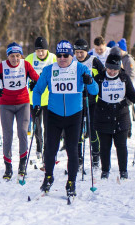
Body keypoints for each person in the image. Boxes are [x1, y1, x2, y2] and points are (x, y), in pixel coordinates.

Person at [31, 40, 99, 198]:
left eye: (66, 55)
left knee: (72, 150)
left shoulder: (80, 68)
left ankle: (71, 182)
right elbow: (37, 90)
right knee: (50, 149)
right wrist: (36, 105)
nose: (62, 58)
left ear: (72, 55)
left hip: (74, 115)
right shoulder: (49, 70)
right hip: (54, 114)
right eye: (59, 55)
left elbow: (95, 91)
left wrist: (90, 82)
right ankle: (48, 177)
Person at [0, 42, 39, 181]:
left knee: (22, 132)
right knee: (7, 134)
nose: (15, 59)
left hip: (23, 104)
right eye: (12, 56)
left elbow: (38, 79)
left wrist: (35, 83)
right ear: (7, 56)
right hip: (6, 105)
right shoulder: (1, 67)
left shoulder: (25, 65)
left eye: (17, 56)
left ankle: (22, 164)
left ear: (21, 55)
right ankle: (8, 166)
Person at [92, 52, 135, 179]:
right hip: (103, 116)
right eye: (109, 68)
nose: (112, 72)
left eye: (115, 69)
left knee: (121, 145)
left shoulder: (124, 78)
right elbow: (91, 93)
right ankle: (105, 170)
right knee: (104, 146)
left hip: (121, 116)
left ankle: (123, 171)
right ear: (106, 67)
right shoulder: (99, 78)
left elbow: (131, 93)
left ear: (119, 68)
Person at [74, 38, 103, 167]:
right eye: (77, 52)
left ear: (86, 51)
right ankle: (78, 157)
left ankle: (96, 154)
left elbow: (103, 78)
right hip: (76, 101)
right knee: (77, 130)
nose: (79, 55)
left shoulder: (94, 61)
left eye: (82, 52)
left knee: (93, 130)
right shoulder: (72, 62)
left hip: (92, 101)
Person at [26, 36, 54, 158]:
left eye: (43, 50)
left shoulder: (53, 58)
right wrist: (29, 84)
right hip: (34, 98)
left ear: (47, 50)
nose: (41, 53)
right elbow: (23, 76)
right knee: (37, 124)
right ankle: (39, 146)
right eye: (38, 50)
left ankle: (47, 147)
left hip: (49, 99)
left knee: (48, 125)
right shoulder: (29, 59)